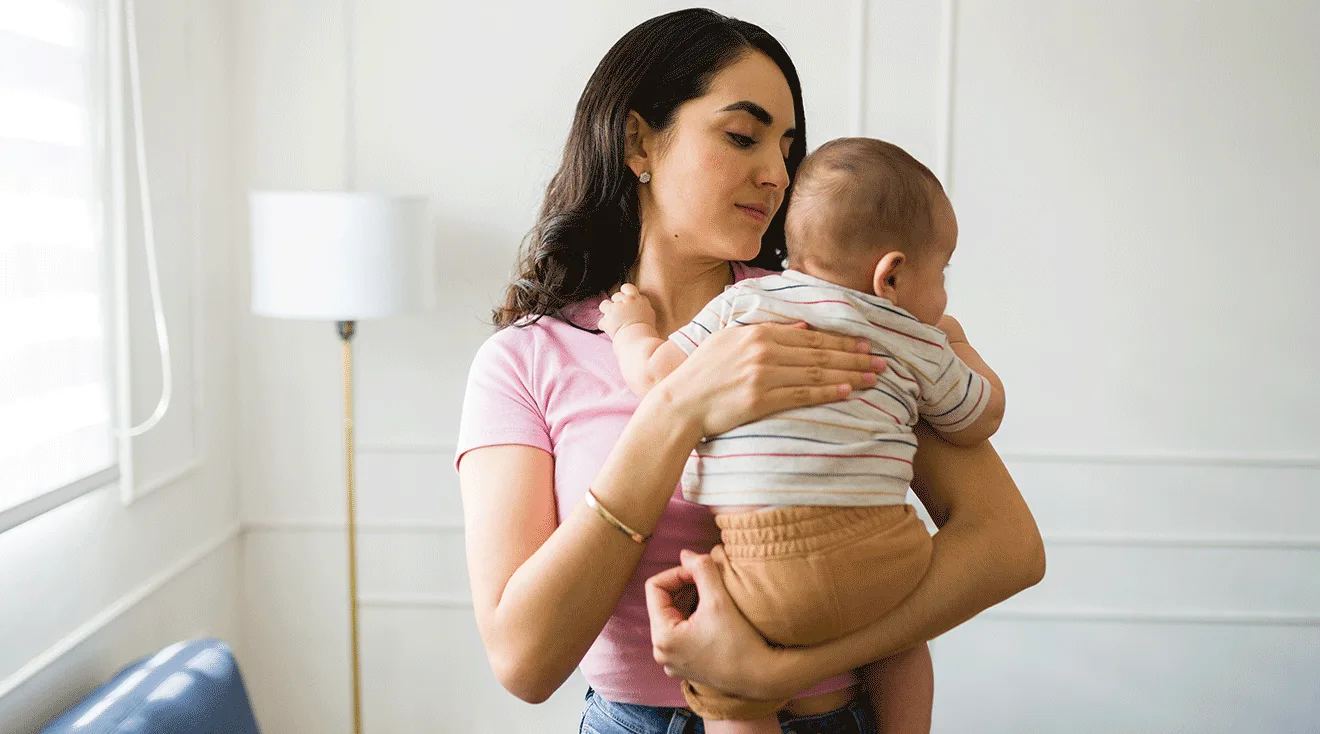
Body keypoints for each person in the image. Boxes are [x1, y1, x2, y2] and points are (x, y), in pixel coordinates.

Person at [454, 9, 1046, 733]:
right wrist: (675, 412)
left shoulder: (826, 313)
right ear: (639, 140)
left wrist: (776, 673)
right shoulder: (523, 361)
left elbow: (1008, 546)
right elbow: (525, 663)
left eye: (788, 147)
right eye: (742, 135)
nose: (777, 175)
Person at [597, 136, 1005, 733]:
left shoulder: (742, 304)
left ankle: (743, 712)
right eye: (941, 273)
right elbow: (979, 416)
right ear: (890, 276)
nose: (943, 293)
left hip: (762, 570)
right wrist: (958, 344)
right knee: (903, 642)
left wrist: (631, 328)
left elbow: (658, 378)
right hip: (887, 560)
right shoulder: (917, 338)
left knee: (725, 668)